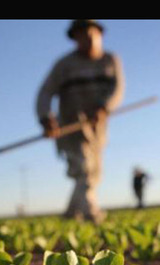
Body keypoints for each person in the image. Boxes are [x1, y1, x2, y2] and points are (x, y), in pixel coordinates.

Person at [36, 20, 125, 224]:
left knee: (93, 171)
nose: (88, 39)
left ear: (100, 34)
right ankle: (90, 213)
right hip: (71, 126)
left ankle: (70, 213)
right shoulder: (64, 65)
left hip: (97, 128)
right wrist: (45, 117)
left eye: (92, 33)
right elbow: (45, 92)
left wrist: (104, 107)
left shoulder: (111, 60)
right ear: (75, 38)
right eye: (82, 35)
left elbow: (117, 89)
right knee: (83, 167)